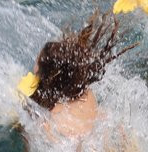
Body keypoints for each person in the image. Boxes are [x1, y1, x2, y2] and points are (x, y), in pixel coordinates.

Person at [28, 11, 137, 140]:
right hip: (111, 134)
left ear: (49, 76)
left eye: (37, 62)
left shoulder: (48, 121)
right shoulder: (86, 92)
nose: (34, 68)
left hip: (72, 149)